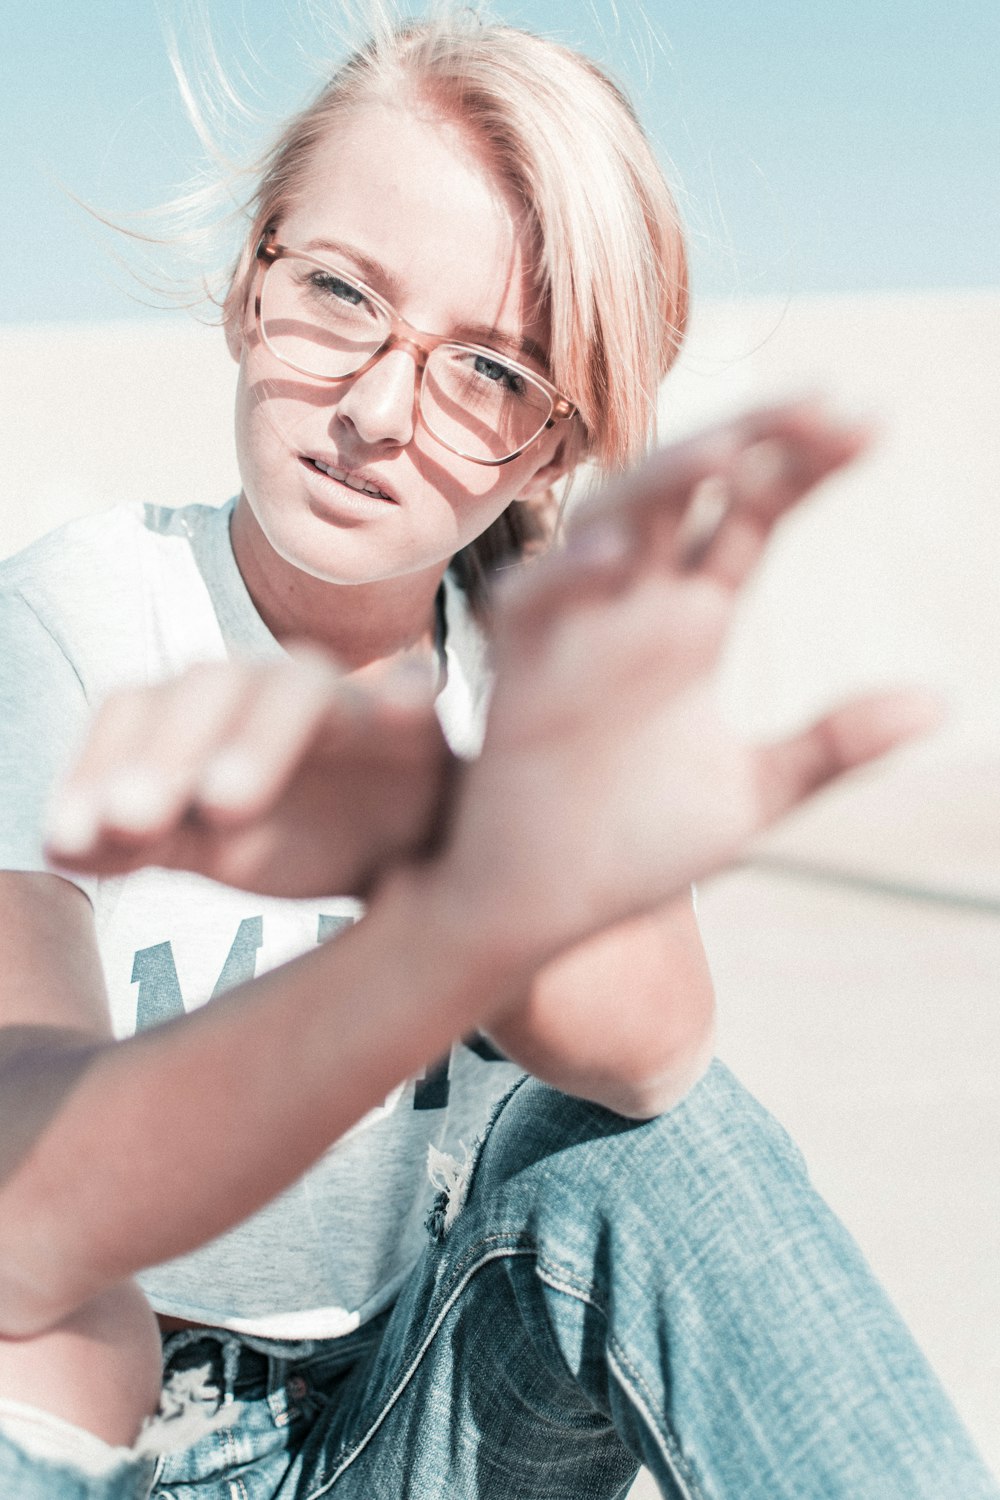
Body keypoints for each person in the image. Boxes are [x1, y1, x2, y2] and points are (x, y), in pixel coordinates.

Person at [0, 9, 994, 1498]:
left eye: (487, 372)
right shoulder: (83, 614)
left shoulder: (517, 686)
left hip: (408, 1416)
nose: (379, 411)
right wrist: (433, 919)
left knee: (647, 1143)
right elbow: (23, 1210)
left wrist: (454, 823)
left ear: (547, 446)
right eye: (340, 293)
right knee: (52, 1332)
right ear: (244, 281)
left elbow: (656, 1061)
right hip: (109, 1433)